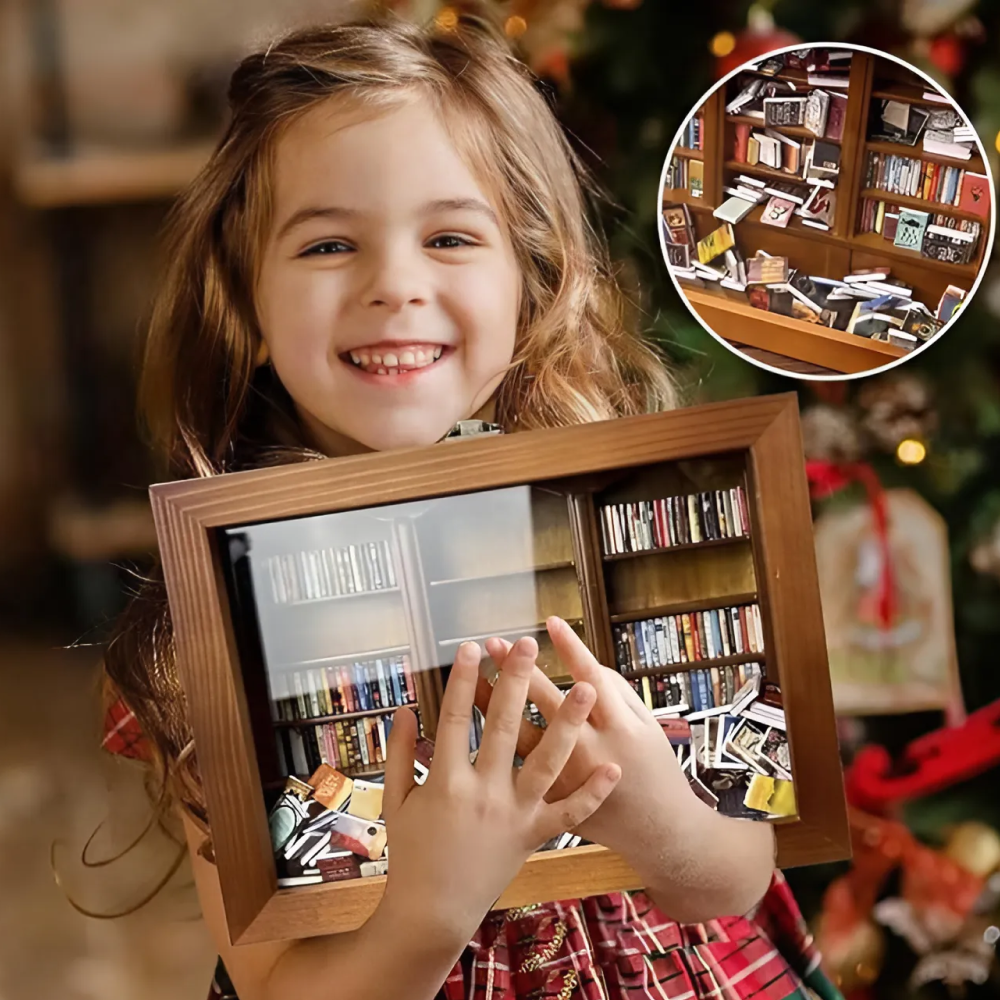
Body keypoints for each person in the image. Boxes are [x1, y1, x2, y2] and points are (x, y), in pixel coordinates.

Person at [98, 8, 843, 1000]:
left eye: (449, 236)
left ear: (532, 286)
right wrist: (431, 908)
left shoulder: (641, 523)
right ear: (246, 305)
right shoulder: (213, 625)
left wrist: (653, 811)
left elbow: (733, 875)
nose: (393, 285)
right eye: (326, 247)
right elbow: (277, 984)